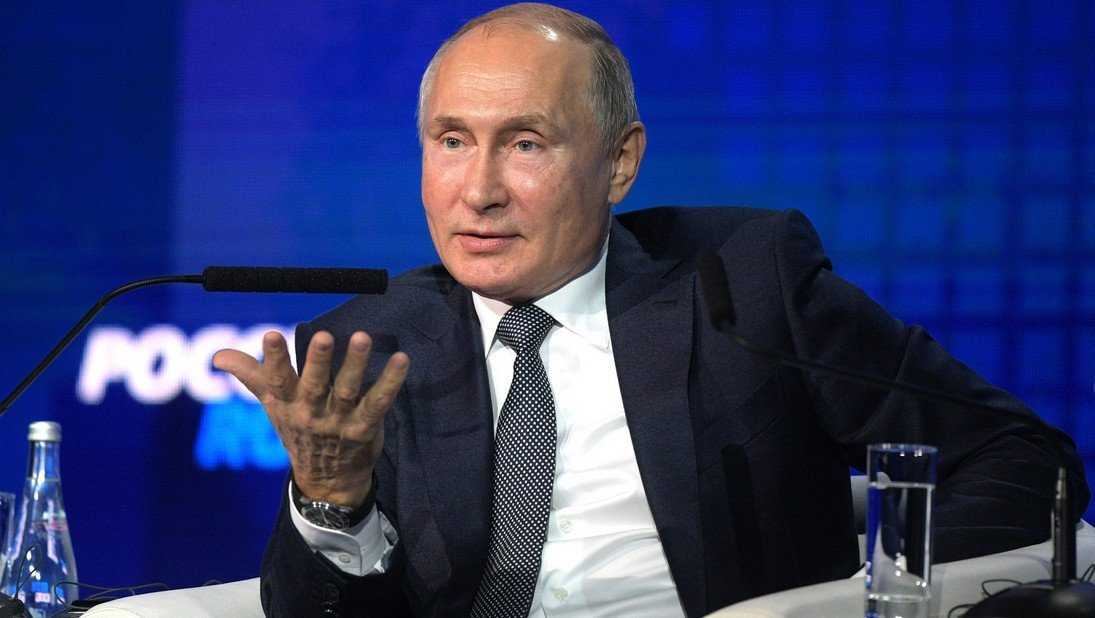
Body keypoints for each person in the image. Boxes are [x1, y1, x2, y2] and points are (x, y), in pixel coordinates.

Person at [213, 4, 1089, 617]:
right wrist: (331, 502)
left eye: (525, 143)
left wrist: (867, 600)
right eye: (451, 141)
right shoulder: (365, 347)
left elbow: (1022, 460)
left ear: (619, 163)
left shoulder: (742, 287)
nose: (477, 191)